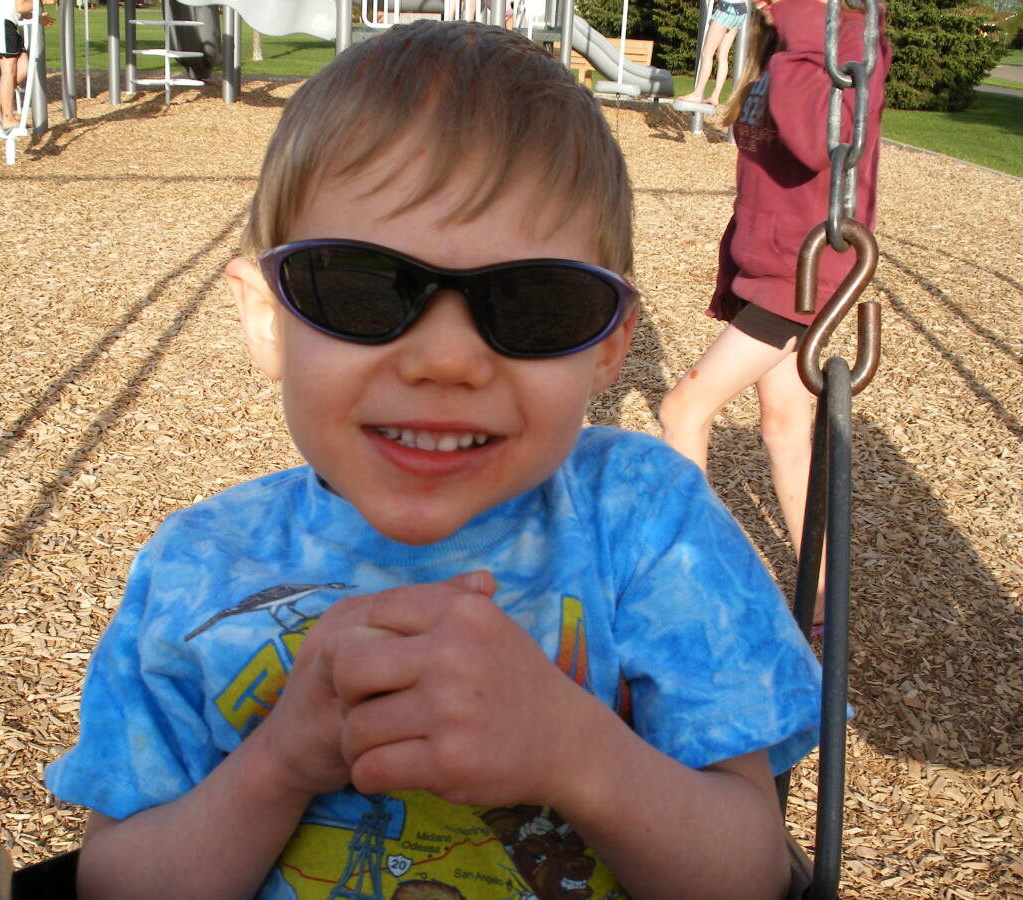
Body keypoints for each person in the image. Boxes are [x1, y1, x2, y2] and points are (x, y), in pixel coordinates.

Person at [45, 21, 824, 900]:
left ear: (608, 350)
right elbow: (114, 882)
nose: (446, 361)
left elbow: (748, 874)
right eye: (361, 287)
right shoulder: (197, 567)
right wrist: (283, 759)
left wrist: (576, 754)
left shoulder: (645, 523)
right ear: (267, 318)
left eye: (536, 304)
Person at [659, 0, 891, 632]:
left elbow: (819, 147)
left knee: (682, 410)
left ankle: (695, 578)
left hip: (804, 274)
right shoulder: (779, 41)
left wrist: (796, 31)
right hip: (770, 269)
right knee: (785, 426)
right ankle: (820, 599)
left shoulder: (845, 41)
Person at [0, 0, 53, 132]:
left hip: (9, 25)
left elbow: (23, 11)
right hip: (1, 23)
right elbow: (21, 7)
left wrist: (38, 18)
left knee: (24, 67)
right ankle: (7, 118)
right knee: (8, 72)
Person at [676, 0, 749, 110]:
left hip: (726, 9)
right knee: (723, 55)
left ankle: (698, 94)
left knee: (707, 53)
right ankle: (715, 96)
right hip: (740, 11)